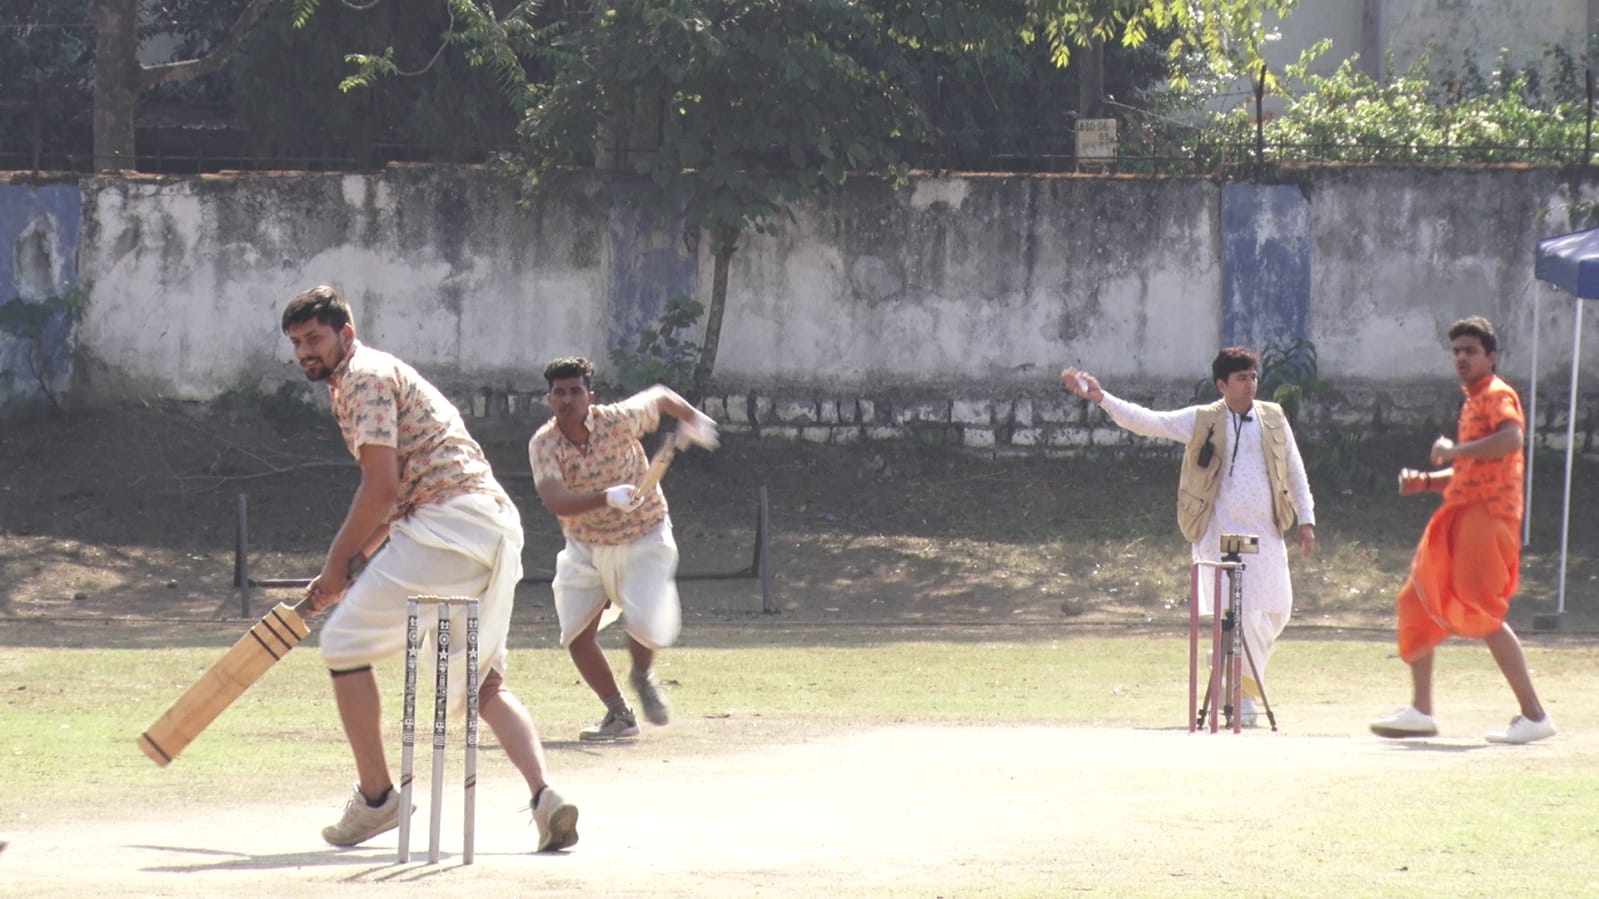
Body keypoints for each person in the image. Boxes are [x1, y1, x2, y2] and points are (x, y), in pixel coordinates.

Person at [282, 285, 579, 853]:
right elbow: (392, 500)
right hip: (490, 526)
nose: (305, 352)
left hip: (447, 525)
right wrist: (347, 567)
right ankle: (546, 797)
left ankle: (377, 800)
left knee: (343, 643)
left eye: (315, 338)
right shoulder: (372, 374)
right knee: (482, 680)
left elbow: (381, 488)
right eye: (297, 342)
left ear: (346, 333)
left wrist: (335, 568)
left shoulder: (363, 376)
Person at [1061, 349, 1317, 726]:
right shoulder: (1204, 420)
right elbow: (1149, 422)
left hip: (1268, 530)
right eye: (1241, 378)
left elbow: (1295, 471)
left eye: (1253, 377)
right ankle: (1242, 696)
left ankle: (1235, 674)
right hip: (1220, 533)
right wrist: (1102, 398)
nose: (1251, 384)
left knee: (1278, 609)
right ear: (1222, 385)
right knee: (1241, 614)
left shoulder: (1274, 419)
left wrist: (1307, 521)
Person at [1369, 316, 1554, 744]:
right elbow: (1476, 465)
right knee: (1415, 598)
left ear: (1490, 356)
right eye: (1456, 351)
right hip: (1463, 512)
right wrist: (1427, 482)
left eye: (1470, 351)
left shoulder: (1496, 393)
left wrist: (1456, 449)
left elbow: (1511, 441)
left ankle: (1535, 715)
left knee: (1482, 609)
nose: (1461, 358)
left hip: (1488, 516)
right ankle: (1420, 710)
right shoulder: (1473, 400)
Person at [528, 357, 718, 742]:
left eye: (575, 391)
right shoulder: (543, 443)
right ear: (549, 399)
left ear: (590, 395)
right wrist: (606, 498)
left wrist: (694, 417)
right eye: (559, 393)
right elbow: (555, 500)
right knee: (576, 636)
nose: (568, 400)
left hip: (645, 531)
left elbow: (662, 397)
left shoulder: (617, 419)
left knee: (645, 620)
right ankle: (618, 714)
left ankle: (642, 675)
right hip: (586, 544)